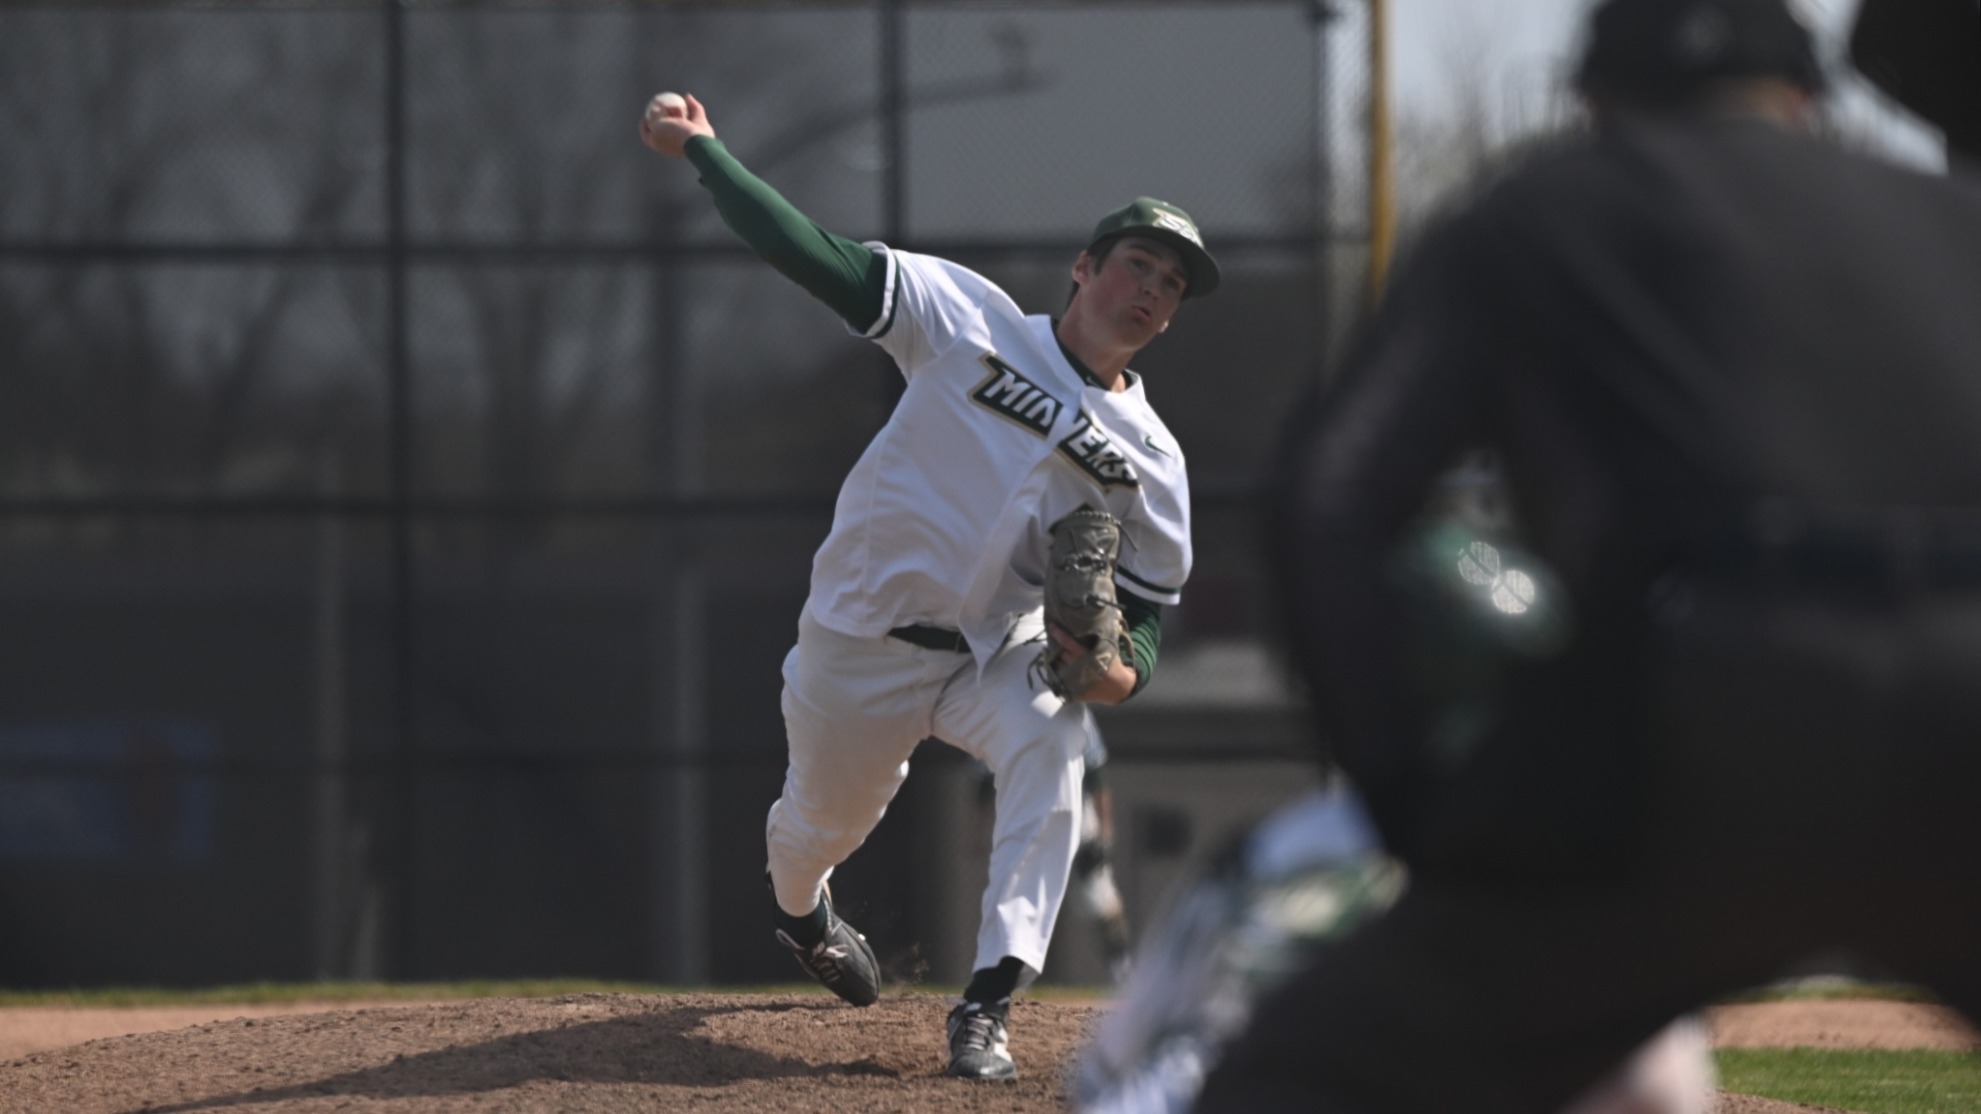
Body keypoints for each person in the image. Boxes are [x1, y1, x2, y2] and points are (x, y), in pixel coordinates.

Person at [1196, 0, 1981, 1109]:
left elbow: (1331, 500)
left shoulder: (1536, 212)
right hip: (1969, 713)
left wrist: (1422, 808)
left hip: (1712, 710)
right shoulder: (1951, 217)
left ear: (1594, 102)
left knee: (1298, 1078)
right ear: (1808, 101)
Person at [638, 91, 1217, 1081]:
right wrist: (706, 153)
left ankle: (987, 1003)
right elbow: (812, 254)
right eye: (1136, 263)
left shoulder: (1150, 459)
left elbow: (1150, 610)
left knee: (1055, 742)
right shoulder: (967, 321)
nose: (1151, 289)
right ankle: (803, 914)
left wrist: (1117, 672)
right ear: (1084, 267)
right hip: (858, 647)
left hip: (999, 648)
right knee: (817, 828)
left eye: (1169, 283)